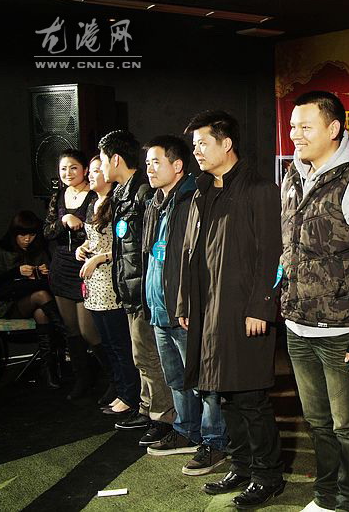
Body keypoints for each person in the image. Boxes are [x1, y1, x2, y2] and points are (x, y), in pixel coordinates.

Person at [178, 110, 285, 508]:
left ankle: (267, 475)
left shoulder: (260, 189)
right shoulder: (202, 191)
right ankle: (241, 466)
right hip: (209, 311)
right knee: (224, 395)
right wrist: (186, 303)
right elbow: (190, 255)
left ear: (227, 144)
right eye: (194, 146)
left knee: (252, 399)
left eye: (203, 143)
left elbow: (271, 254)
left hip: (245, 312)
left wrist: (261, 307)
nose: (197, 152)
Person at [280, 90, 349, 512]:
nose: (295, 135)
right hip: (297, 324)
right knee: (317, 423)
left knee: (347, 425)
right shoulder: (292, 177)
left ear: (334, 129)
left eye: (305, 126)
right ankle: (326, 497)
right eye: (292, 126)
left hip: (342, 330)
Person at [141, 135, 228, 470]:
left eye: (156, 162)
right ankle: (186, 431)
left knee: (204, 381)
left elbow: (200, 259)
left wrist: (190, 304)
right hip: (159, 307)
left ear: (177, 166)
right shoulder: (155, 202)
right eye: (147, 163)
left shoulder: (194, 199)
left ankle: (214, 441)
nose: (149, 169)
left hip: (185, 310)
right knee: (176, 379)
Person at [98, 130, 174, 447]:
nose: (101, 167)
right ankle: (146, 409)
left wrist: (147, 292)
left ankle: (162, 418)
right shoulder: (122, 194)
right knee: (140, 356)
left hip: (143, 292)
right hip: (130, 290)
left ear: (116, 159)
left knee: (150, 357)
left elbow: (151, 249)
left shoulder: (142, 193)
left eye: (103, 160)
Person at [75, 156, 140, 414]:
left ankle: (129, 395)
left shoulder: (116, 203)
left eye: (96, 170)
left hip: (112, 282)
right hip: (94, 283)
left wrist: (99, 258)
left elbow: (125, 247)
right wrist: (83, 248)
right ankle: (119, 388)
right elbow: (93, 239)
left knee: (119, 343)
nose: (91, 175)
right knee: (106, 342)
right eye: (91, 171)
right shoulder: (94, 202)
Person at [44, 149, 106, 400]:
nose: (68, 173)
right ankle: (82, 379)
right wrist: (64, 220)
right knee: (71, 330)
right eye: (63, 169)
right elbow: (47, 232)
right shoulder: (58, 196)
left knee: (88, 330)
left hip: (85, 266)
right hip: (61, 267)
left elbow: (97, 232)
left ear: (84, 170)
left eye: (73, 168)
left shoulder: (94, 195)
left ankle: (114, 379)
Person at [0, 211, 64, 388]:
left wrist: (45, 273)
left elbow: (52, 282)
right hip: (10, 305)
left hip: (39, 304)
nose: (27, 239)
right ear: (14, 234)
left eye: (31, 235)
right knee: (41, 296)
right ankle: (66, 333)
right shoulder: (1, 249)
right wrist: (17, 272)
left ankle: (49, 370)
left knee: (41, 312)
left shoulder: (38, 249)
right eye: (22, 235)